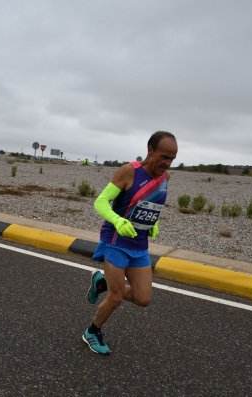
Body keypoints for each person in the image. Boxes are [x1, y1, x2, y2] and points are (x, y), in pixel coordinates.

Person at [82, 131, 178, 355]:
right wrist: (117, 220)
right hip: (115, 241)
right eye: (164, 157)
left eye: (172, 159)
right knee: (115, 297)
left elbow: (149, 205)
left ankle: (101, 283)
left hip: (139, 245)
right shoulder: (129, 171)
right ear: (150, 150)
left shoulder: (165, 178)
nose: (167, 163)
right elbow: (101, 202)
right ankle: (92, 331)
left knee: (143, 298)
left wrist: (153, 223)